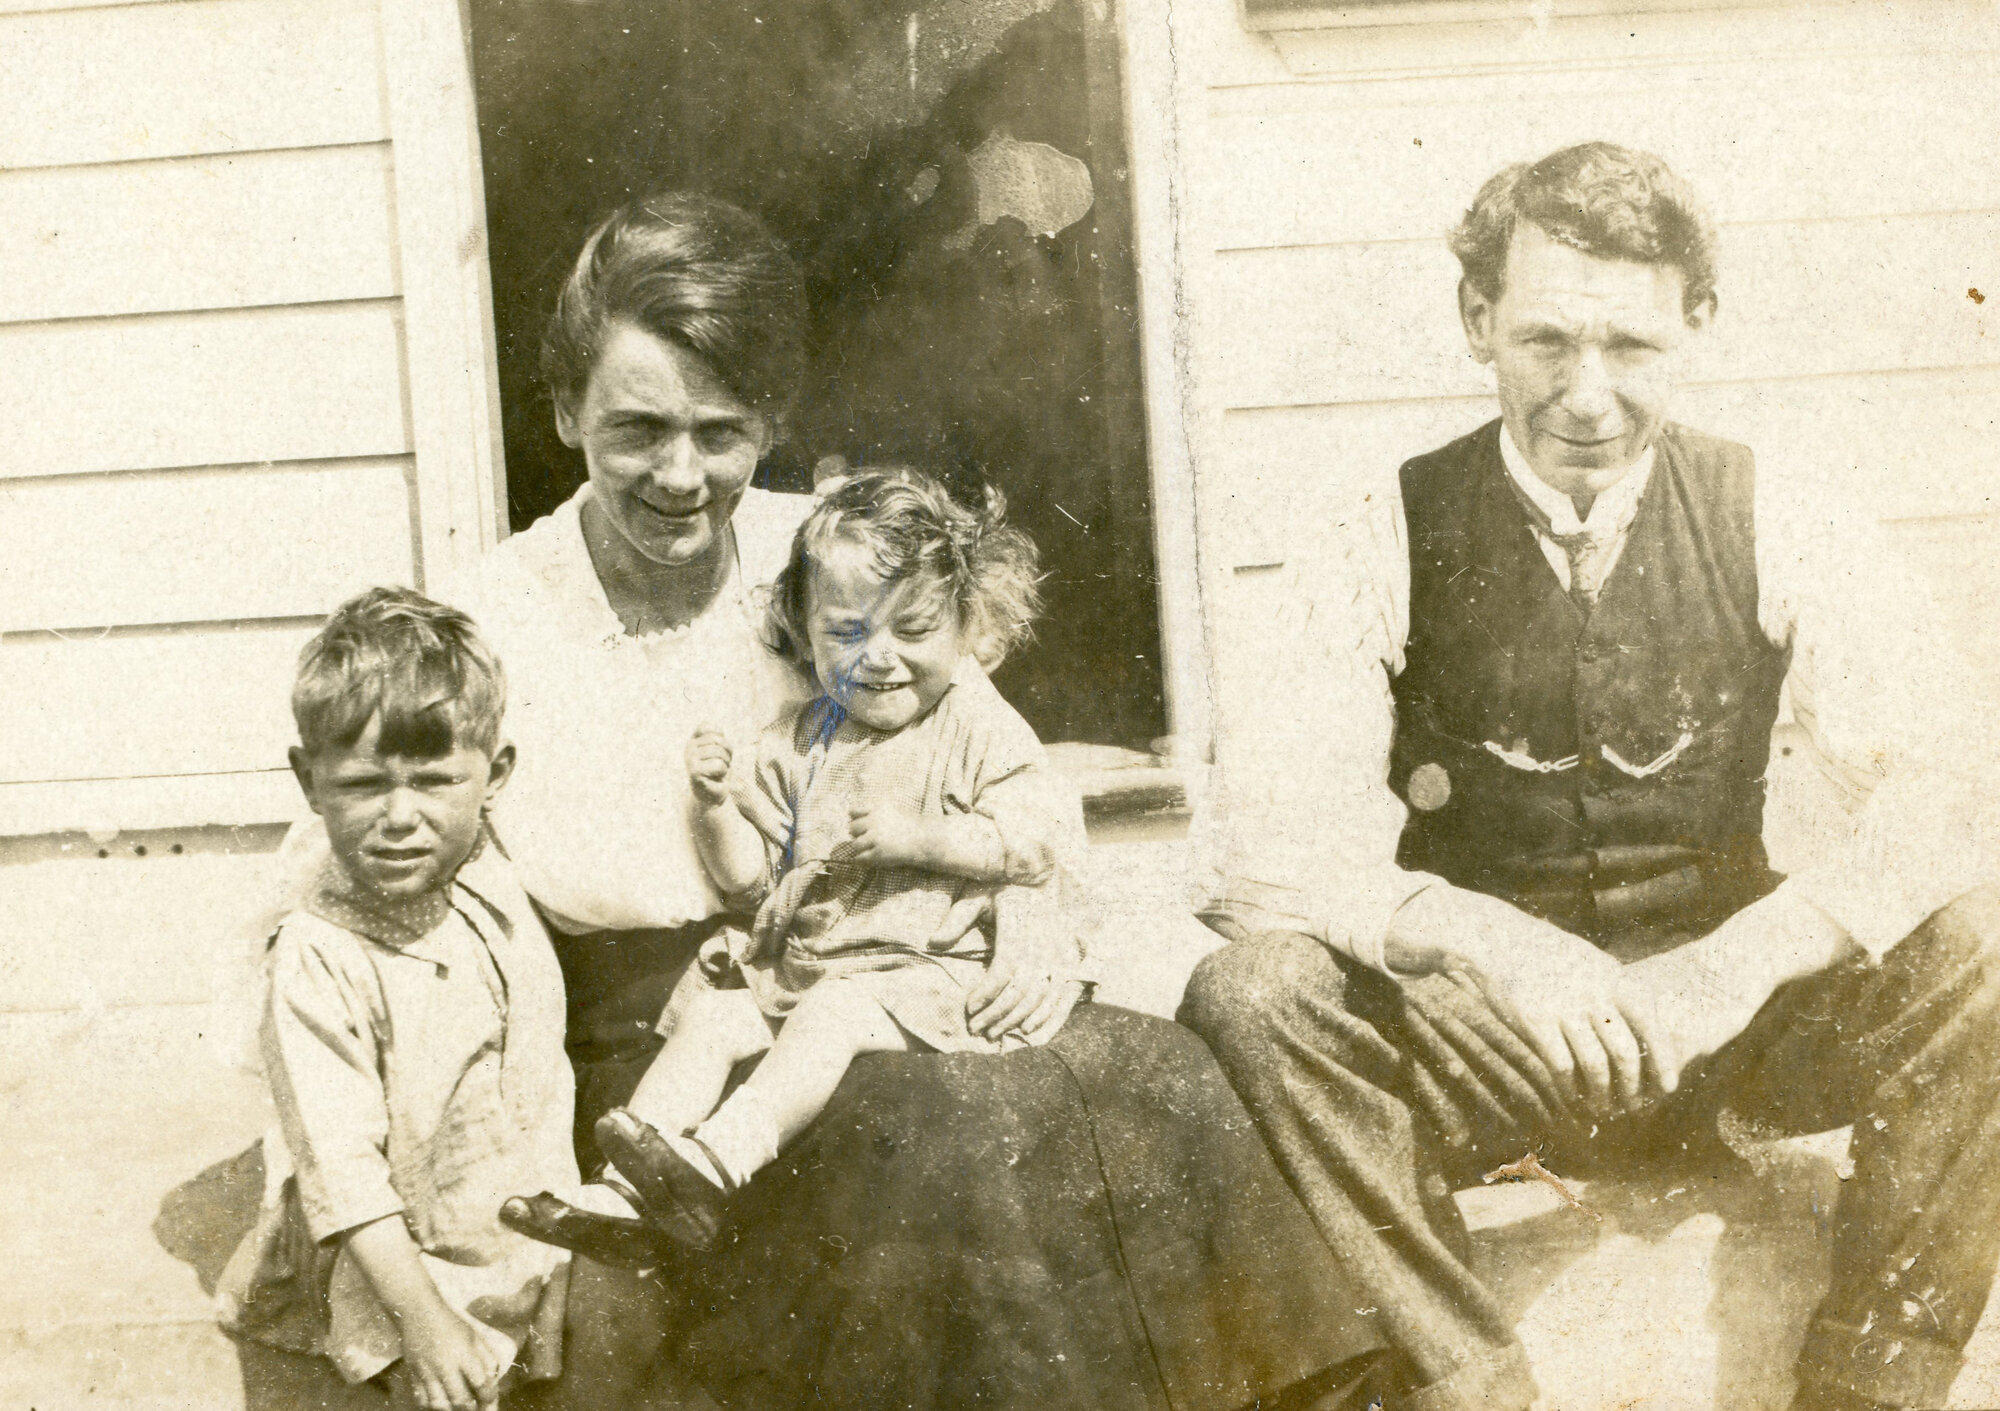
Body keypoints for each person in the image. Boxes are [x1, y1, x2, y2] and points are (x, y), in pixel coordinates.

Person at [429, 190, 1379, 1408]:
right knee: (947, 1131)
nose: (680, 474)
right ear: (565, 411)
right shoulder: (488, 618)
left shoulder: (832, 555)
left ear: (768, 422)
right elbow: (355, 886)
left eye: (720, 432)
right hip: (669, 1048)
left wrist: (1028, 912)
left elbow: (997, 765)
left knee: (1154, 1067)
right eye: (637, 429)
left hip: (894, 956)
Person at [1177, 142, 2000, 1411]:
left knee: (1983, 950)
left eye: (1629, 345)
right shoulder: (1377, 527)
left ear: (1696, 325)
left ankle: (1865, 1394)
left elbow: (1951, 788)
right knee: (1253, 993)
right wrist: (1495, 945)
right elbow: (1264, 848)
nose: (1586, 394)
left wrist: (1738, 962)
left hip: (1725, 1042)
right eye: (1545, 341)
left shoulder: (1780, 505)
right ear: (1476, 321)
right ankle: (1468, 1388)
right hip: (1488, 1047)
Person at [505, 468, 1077, 1253]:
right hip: (815, 963)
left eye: (913, 630)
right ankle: (621, 1193)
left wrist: (924, 837)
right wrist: (714, 805)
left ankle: (715, 1164)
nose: (880, 658)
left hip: (927, 970)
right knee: (713, 1015)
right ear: (804, 633)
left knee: (830, 1014)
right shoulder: (801, 740)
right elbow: (751, 881)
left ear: (966, 628)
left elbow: (1034, 840)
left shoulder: (975, 724)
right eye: (847, 633)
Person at [215, 589, 677, 1411]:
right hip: (402, 1261)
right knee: (448, 1386)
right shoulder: (318, 958)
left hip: (526, 1214)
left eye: (435, 780)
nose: (401, 817)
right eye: (363, 783)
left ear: (495, 777)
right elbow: (343, 1174)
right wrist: (423, 1322)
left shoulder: (489, 863)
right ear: (309, 780)